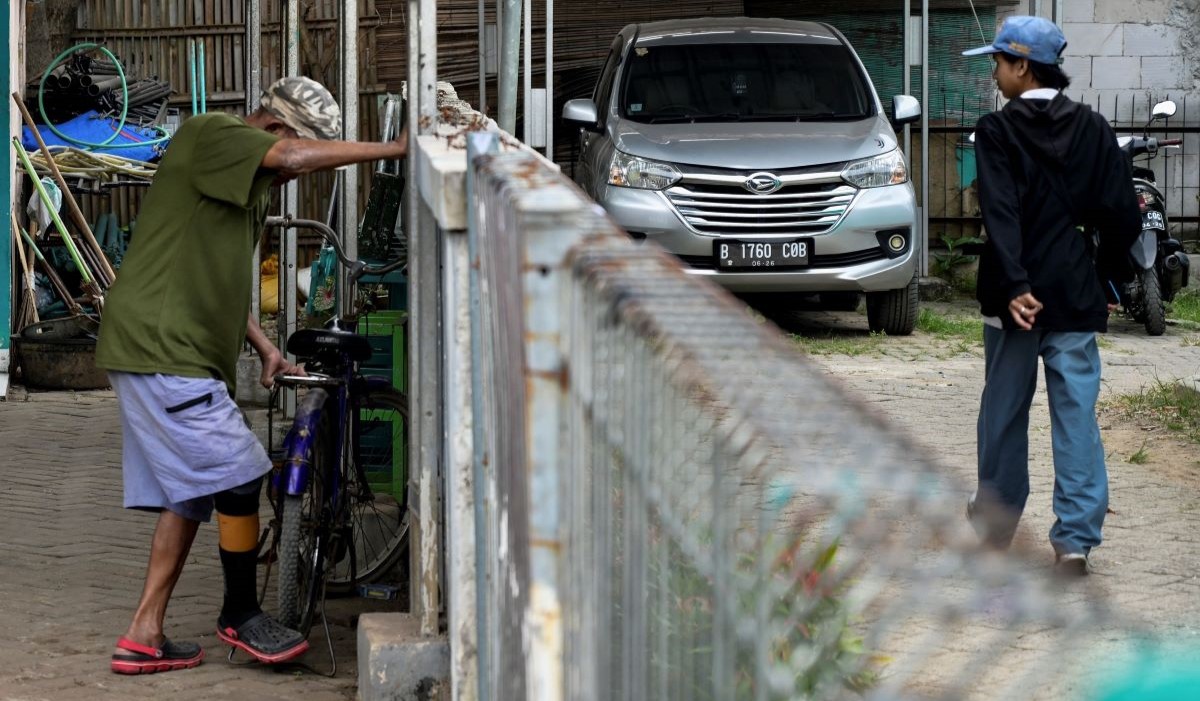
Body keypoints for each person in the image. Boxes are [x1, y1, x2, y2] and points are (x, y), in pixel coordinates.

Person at [95, 76, 407, 673]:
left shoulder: (246, 183)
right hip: (164, 350)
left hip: (166, 350)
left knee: (187, 497)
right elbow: (290, 157)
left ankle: (143, 633)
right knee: (240, 474)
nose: (292, 174)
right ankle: (239, 612)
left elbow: (213, 274)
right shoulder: (213, 134)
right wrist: (394, 151)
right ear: (277, 128)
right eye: (297, 152)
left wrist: (262, 344)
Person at [961, 17, 1140, 577]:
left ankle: (994, 529)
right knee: (1076, 417)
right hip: (1072, 291)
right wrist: (1105, 280)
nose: (994, 73)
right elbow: (1120, 215)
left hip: (1012, 299)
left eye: (997, 62)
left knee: (1003, 414)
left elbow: (1002, 213)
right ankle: (1075, 542)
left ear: (1022, 66)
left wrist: (1016, 286)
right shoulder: (1094, 128)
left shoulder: (995, 131)